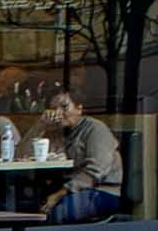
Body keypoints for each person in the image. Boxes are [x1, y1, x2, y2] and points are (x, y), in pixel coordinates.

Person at [21, 88, 124, 223]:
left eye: (64, 107)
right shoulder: (55, 132)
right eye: (53, 108)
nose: (58, 113)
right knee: (27, 208)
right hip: (65, 187)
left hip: (100, 190)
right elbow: (22, 154)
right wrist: (40, 126)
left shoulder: (96, 129)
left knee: (59, 213)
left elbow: (96, 170)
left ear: (79, 108)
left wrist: (59, 194)